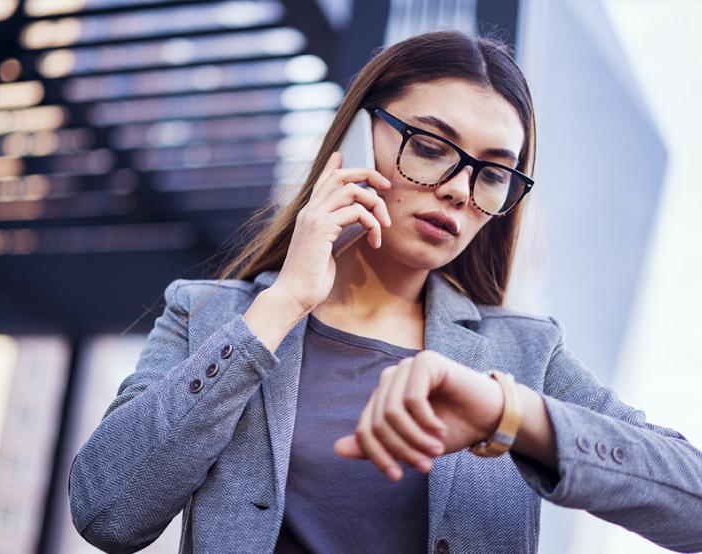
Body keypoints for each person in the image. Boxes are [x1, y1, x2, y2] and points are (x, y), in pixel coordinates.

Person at [68, 30, 702, 554]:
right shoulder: (206, 314)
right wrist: (284, 302)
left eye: (494, 173)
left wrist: (510, 416)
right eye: (429, 147)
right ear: (353, 138)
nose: (459, 189)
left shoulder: (524, 355)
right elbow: (107, 512)